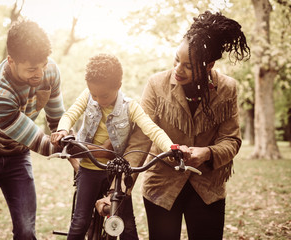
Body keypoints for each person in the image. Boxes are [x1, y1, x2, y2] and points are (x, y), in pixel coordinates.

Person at [96, 11, 250, 239]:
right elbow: (140, 139)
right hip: (162, 187)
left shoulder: (227, 88)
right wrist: (116, 191)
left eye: (188, 66)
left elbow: (232, 140)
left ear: (209, 66)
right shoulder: (156, 85)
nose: (178, 70)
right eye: (177, 60)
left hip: (208, 188)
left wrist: (207, 153)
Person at [51, 53, 186, 240]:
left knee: (127, 227)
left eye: (103, 95)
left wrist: (172, 148)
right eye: (93, 94)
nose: (97, 99)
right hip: (88, 169)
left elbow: (152, 130)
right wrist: (63, 130)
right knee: (80, 221)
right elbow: (69, 115)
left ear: (118, 87)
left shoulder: (130, 107)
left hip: (116, 173)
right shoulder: (88, 97)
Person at [0, 19, 65, 239]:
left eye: (43, 65)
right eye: (31, 69)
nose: (39, 73)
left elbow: (57, 118)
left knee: (27, 231)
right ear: (11, 61)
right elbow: (39, 142)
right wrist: (70, 151)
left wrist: (67, 138)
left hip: (17, 156)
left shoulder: (50, 71)